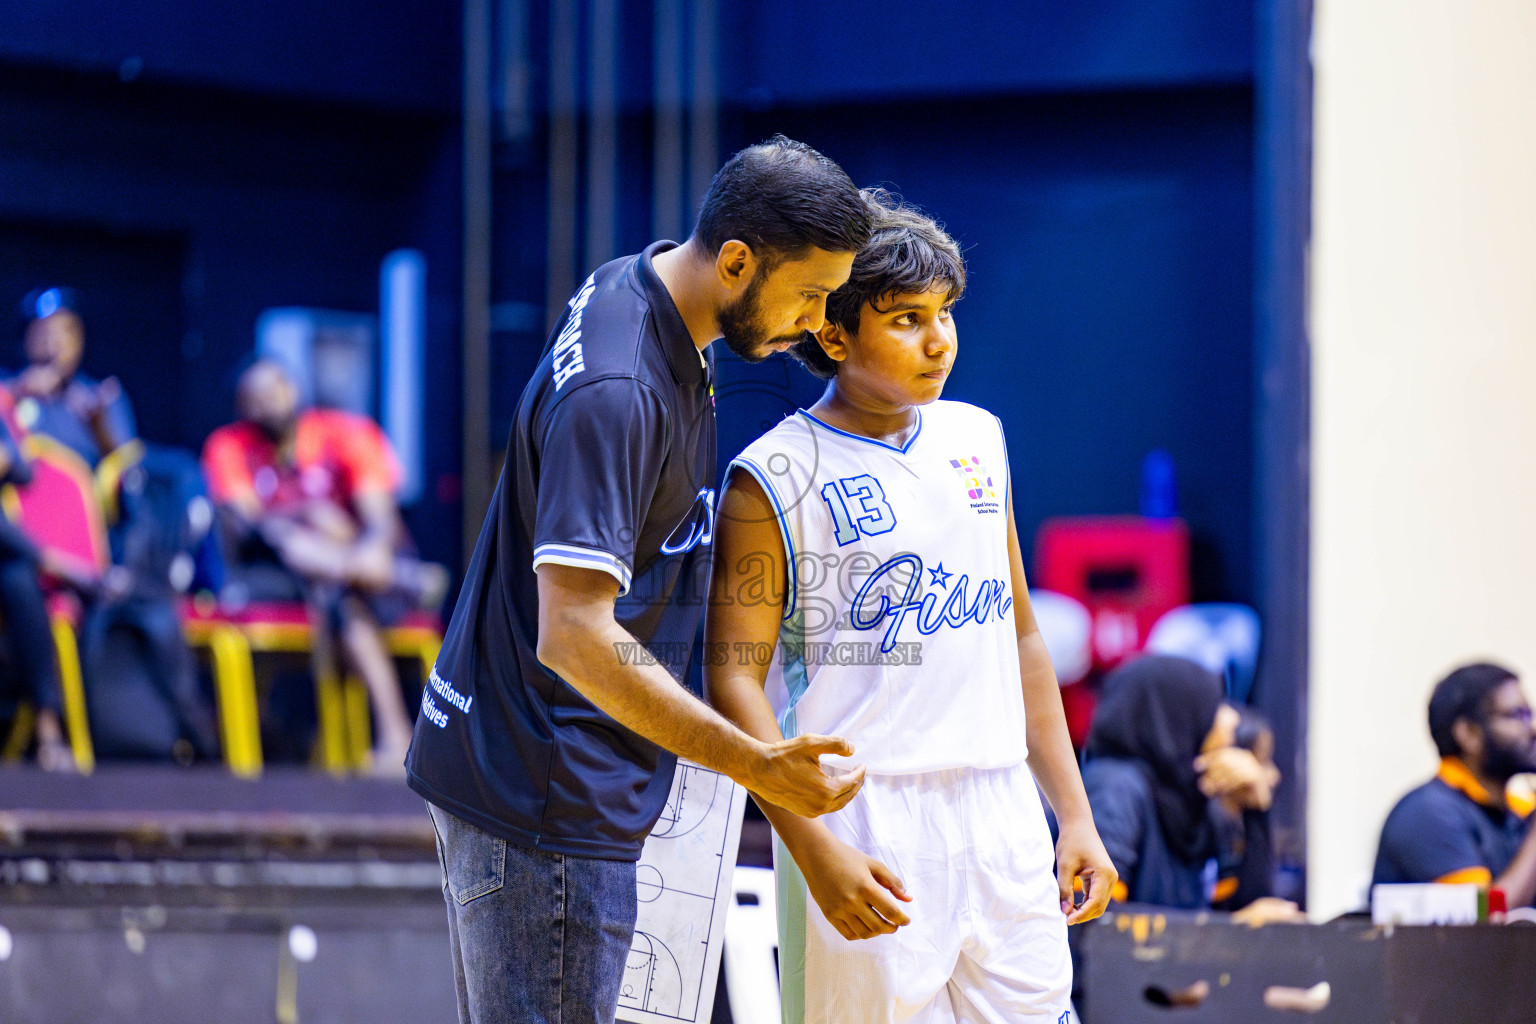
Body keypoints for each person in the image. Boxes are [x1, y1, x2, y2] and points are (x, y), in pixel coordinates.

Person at [404, 136, 873, 1024]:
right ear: (737, 260)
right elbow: (575, 633)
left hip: (529, 771)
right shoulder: (622, 387)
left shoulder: (643, 282)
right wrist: (760, 768)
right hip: (541, 797)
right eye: (810, 294)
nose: (817, 323)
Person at [706, 192, 1115, 1023]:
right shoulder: (771, 475)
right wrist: (813, 849)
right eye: (905, 319)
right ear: (831, 331)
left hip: (1001, 809)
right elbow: (734, 684)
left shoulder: (978, 438)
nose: (939, 341)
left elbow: (1024, 639)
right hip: (864, 822)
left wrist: (1074, 814)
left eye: (946, 314)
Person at [202, 359, 441, 771]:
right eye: (253, 397)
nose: (266, 404)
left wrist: (364, 551)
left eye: (273, 390)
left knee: (342, 596)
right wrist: (307, 512)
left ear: (294, 390)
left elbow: (381, 520)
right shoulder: (229, 446)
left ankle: (396, 734)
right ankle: (405, 584)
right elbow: (249, 523)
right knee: (299, 536)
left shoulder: (346, 433)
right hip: (274, 573)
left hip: (363, 574)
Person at [1372, 662, 1536, 908]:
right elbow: (1482, 923)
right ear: (1468, 733)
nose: (1531, 729)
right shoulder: (1427, 813)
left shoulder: (1519, 813)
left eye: (1529, 715)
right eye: (1516, 716)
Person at [1082, 654, 1230, 908]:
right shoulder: (1114, 788)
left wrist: (1255, 810)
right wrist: (1224, 929)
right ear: (1173, 714)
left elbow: (1238, 904)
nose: (1230, 719)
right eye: (1214, 706)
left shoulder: (1187, 795)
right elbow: (1097, 922)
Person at [8, 287, 137, 468]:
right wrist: (17, 392)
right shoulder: (9, 391)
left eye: (66, 331)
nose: (55, 343)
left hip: (86, 494)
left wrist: (98, 427)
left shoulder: (98, 398)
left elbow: (130, 476)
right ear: (25, 339)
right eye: (44, 332)